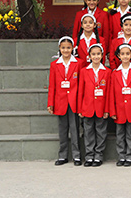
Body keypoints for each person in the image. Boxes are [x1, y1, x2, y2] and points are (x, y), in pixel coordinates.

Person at [48, 36, 81, 166]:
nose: (66, 50)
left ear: (72, 48)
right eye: (63, 48)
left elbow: (81, 84)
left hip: (74, 101)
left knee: (75, 129)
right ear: (59, 48)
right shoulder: (55, 64)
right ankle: (63, 156)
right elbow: (52, 86)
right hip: (60, 101)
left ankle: (77, 156)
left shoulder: (78, 63)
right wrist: (50, 103)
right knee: (62, 130)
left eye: (68, 47)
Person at [108, 43, 131, 167]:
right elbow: (111, 93)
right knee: (120, 134)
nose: (125, 56)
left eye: (128, 54)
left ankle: (130, 156)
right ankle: (121, 156)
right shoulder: (114, 73)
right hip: (119, 109)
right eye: (122, 54)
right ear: (118, 56)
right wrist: (112, 111)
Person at [77, 43, 110, 167]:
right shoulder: (84, 71)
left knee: (101, 132)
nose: (96, 57)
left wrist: (107, 109)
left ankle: (98, 155)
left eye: (98, 54)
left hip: (101, 107)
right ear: (89, 56)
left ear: (102, 55)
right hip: (87, 107)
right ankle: (89, 156)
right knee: (88, 132)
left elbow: (109, 92)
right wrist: (80, 108)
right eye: (93, 54)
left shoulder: (107, 71)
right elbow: (81, 91)